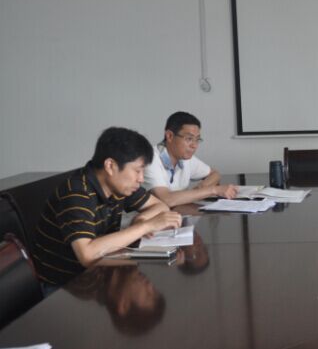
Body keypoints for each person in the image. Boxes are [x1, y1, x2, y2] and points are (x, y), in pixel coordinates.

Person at [33, 127, 182, 291]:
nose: (141, 179)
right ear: (110, 166)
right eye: (137, 171)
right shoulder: (77, 192)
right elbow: (87, 255)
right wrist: (145, 226)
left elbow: (160, 206)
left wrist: (141, 219)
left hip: (98, 275)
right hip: (64, 288)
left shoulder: (120, 185)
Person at [143, 111, 237, 207]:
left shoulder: (185, 158)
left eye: (197, 139)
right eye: (189, 139)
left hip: (176, 213)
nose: (194, 145)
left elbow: (215, 174)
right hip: (149, 215)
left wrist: (201, 188)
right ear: (170, 136)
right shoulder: (150, 159)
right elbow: (167, 199)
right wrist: (213, 190)